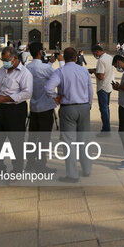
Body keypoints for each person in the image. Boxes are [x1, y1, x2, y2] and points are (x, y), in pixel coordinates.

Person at [45, 47, 94, 182]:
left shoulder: (60, 71)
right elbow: (90, 90)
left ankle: (72, 174)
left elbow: (48, 88)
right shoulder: (84, 70)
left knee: (69, 142)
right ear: (76, 57)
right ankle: (87, 169)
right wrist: (88, 105)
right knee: (84, 140)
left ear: (64, 58)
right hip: (84, 108)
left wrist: (55, 97)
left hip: (68, 109)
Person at [0, 46, 33, 174]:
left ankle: (17, 169)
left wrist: (7, 98)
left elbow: (27, 93)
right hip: (0, 109)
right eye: (3, 60)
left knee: (16, 142)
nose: (4, 62)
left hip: (15, 110)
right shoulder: (2, 70)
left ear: (15, 59)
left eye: (7, 60)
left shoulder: (24, 73)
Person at [24, 42, 62, 174]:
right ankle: (41, 165)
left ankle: (30, 164)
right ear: (41, 52)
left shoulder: (27, 67)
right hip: (46, 107)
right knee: (44, 139)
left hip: (34, 107)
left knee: (32, 137)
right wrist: (60, 61)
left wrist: (50, 63)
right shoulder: (45, 68)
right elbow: (60, 76)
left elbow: (40, 74)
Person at [89, 45, 114, 136]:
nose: (94, 55)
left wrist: (94, 72)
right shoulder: (109, 57)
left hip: (102, 88)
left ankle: (106, 130)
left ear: (97, 51)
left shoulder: (101, 60)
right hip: (109, 86)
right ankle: (107, 128)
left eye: (94, 54)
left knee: (103, 109)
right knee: (106, 108)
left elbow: (100, 76)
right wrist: (94, 70)